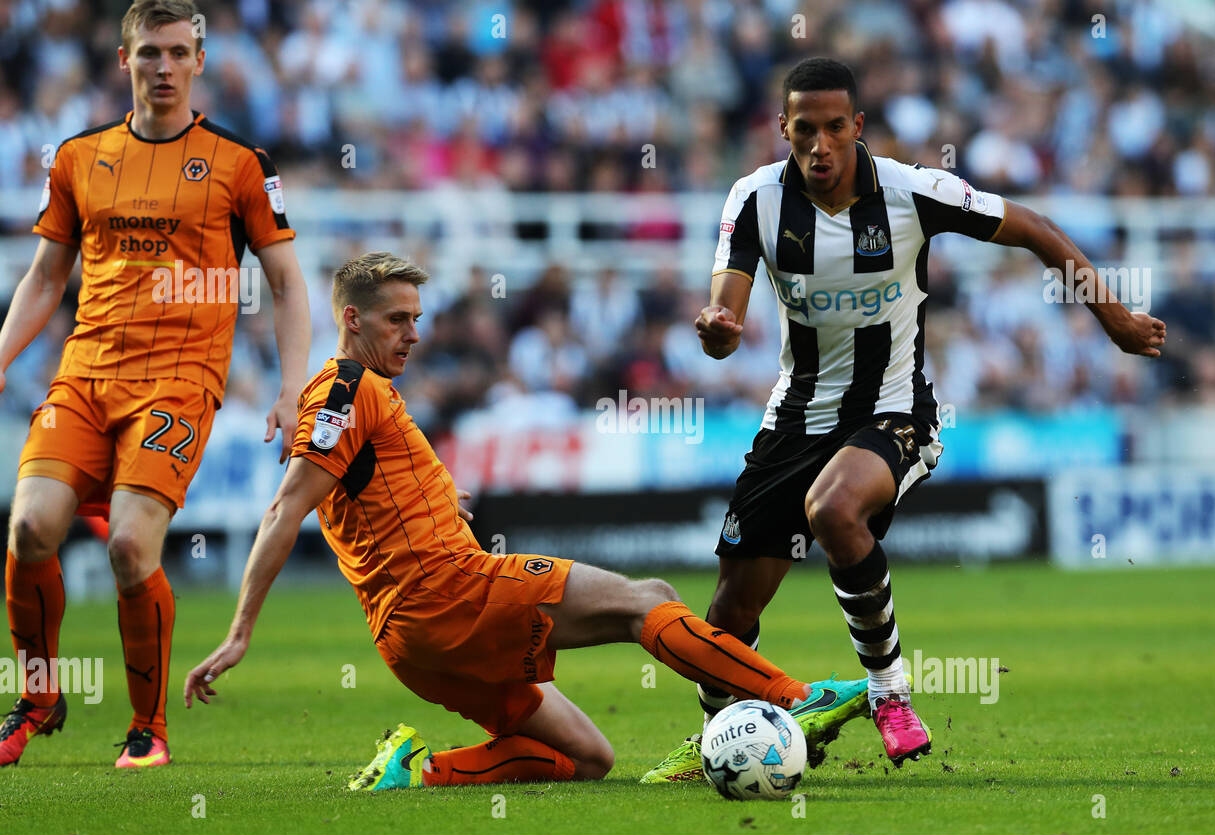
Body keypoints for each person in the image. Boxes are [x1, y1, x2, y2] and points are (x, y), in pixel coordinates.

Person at [641, 57, 1166, 783]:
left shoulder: (914, 193)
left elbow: (1036, 228)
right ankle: (713, 742)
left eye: (833, 129)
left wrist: (1115, 321)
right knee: (731, 608)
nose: (819, 146)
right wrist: (719, 328)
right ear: (782, 130)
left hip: (893, 412)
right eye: (804, 131)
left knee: (833, 509)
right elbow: (725, 303)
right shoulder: (756, 198)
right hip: (795, 418)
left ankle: (890, 695)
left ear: (857, 127)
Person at [183, 252, 873, 790]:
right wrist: (240, 631)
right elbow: (286, 506)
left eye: (417, 318)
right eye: (397, 320)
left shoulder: (367, 395)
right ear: (352, 320)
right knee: (650, 599)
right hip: (451, 593)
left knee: (587, 757)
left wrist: (434, 499)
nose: (414, 334)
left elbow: (361, 490)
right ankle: (797, 695)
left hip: (409, 644)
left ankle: (416, 771)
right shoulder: (344, 388)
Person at [0, 0, 310, 768]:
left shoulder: (241, 163)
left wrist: (290, 385)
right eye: (149, 54)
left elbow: (287, 283)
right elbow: (46, 276)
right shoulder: (77, 156)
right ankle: (38, 695)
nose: (164, 68)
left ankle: (148, 727)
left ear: (199, 61)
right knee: (30, 528)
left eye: (178, 53)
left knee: (132, 548)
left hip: (178, 382)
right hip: (86, 370)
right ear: (123, 60)